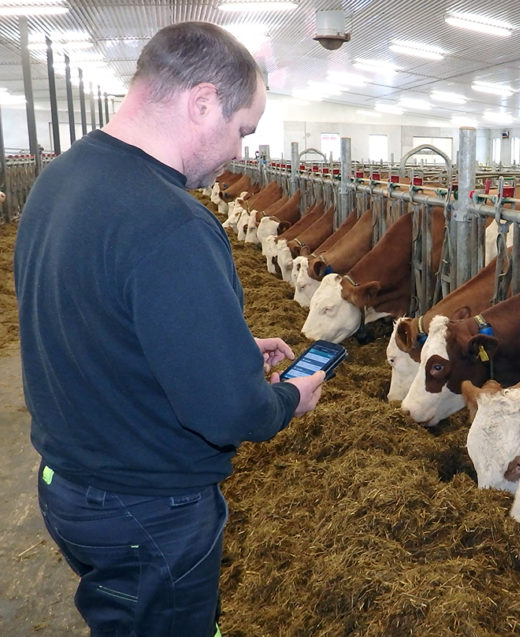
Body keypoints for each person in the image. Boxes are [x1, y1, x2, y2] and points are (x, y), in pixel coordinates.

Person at [14, 22, 325, 637]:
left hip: (70, 483)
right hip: (146, 506)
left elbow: (99, 321)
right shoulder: (172, 221)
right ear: (202, 101)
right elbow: (230, 411)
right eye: (242, 129)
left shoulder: (62, 178)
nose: (240, 152)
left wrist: (226, 350)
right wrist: (287, 398)